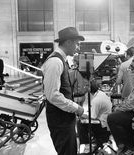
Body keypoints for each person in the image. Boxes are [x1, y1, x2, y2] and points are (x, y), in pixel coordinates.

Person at [41, 27, 85, 155]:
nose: (77, 47)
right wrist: (76, 107)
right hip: (60, 119)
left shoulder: (62, 60)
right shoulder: (55, 62)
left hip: (64, 116)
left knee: (69, 149)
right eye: (77, 43)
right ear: (68, 42)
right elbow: (52, 95)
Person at [78, 80, 112, 152]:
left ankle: (86, 144)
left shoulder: (96, 100)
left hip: (102, 126)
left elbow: (92, 117)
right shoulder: (101, 94)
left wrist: (80, 114)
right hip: (107, 122)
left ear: (90, 88)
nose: (84, 87)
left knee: (80, 122)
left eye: (86, 86)